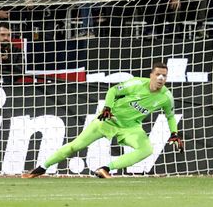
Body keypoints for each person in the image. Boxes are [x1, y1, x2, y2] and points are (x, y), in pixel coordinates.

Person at [22, 62, 184, 178]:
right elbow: (113, 91)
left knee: (146, 150)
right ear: (151, 76)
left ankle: (105, 168)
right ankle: (42, 167)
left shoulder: (166, 97)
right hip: (108, 120)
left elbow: (169, 116)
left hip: (130, 127)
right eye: (158, 74)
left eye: (164, 75)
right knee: (75, 146)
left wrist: (174, 133)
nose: (161, 78)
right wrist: (107, 108)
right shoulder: (136, 84)